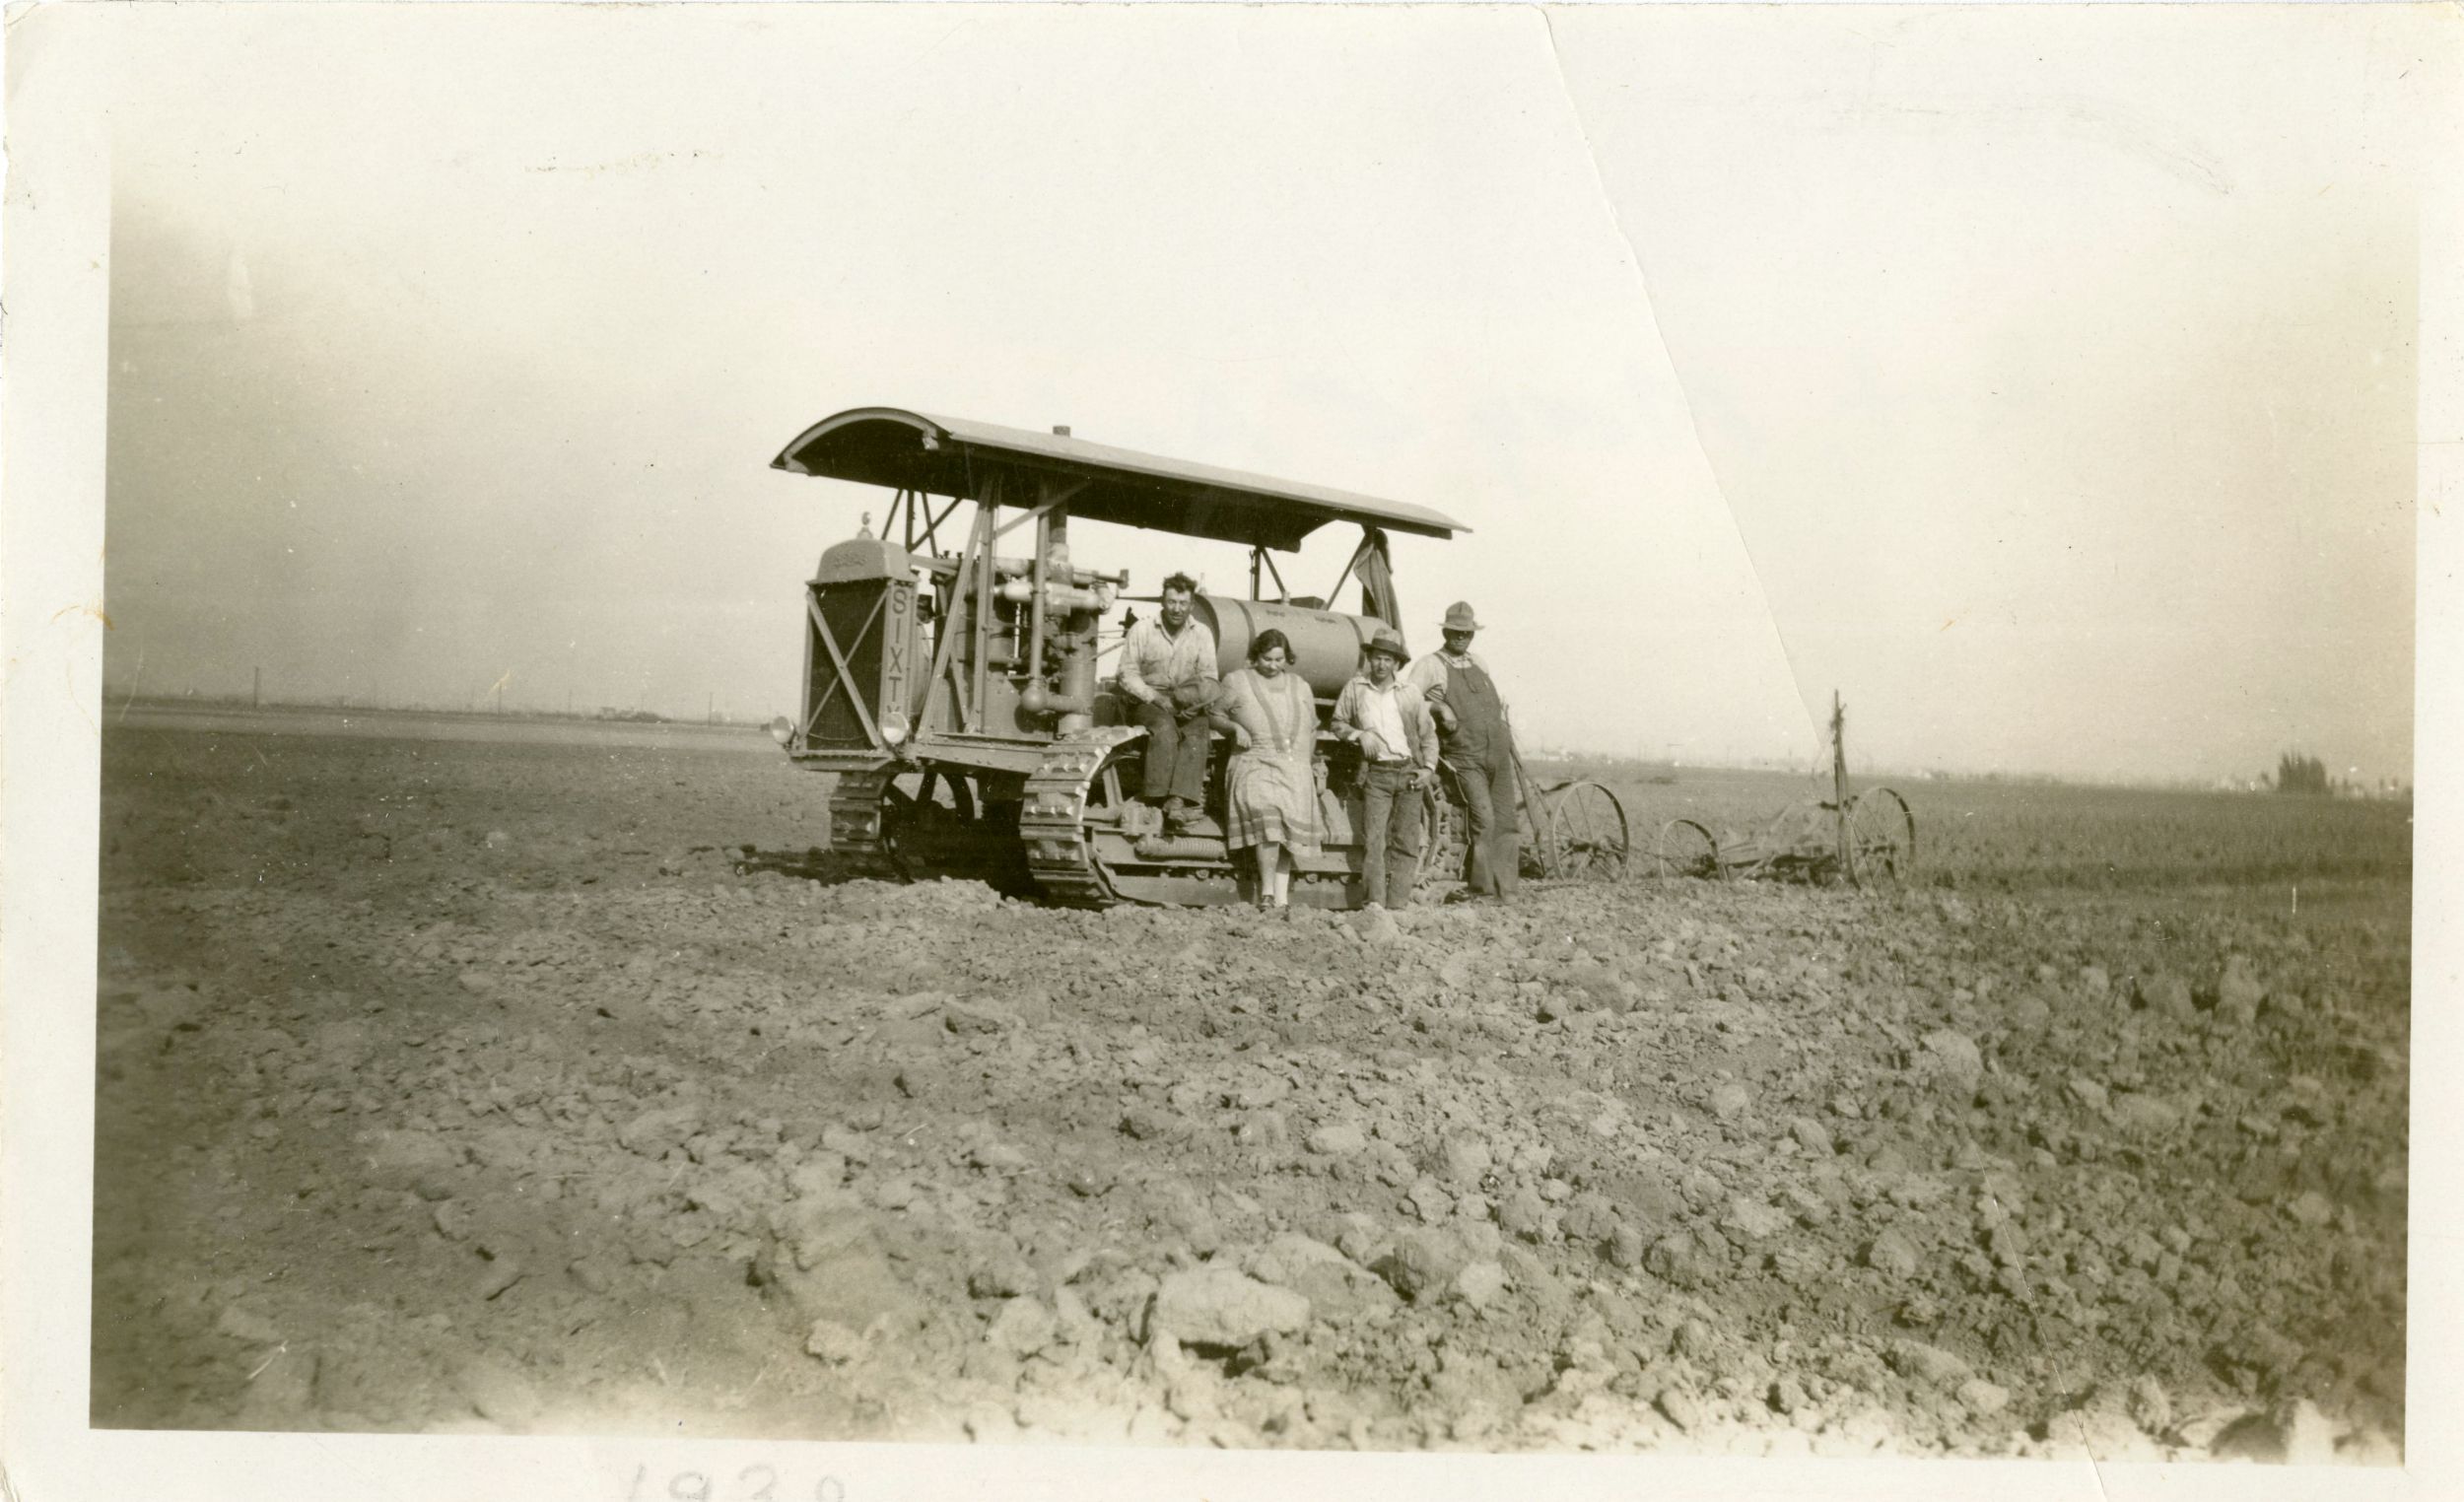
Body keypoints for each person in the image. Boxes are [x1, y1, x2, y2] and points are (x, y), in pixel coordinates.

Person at [1403, 601, 1519, 899]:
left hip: (1496, 753)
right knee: (1484, 819)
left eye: (1466, 633)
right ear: (1445, 631)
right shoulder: (1430, 665)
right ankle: (1483, 889)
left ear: (1472, 634)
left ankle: (1507, 889)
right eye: (1455, 632)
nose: (1461, 637)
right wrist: (1440, 707)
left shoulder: (1479, 663)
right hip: (1464, 756)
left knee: (1506, 820)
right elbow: (1407, 701)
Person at [1209, 629, 1323, 910]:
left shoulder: (1301, 686)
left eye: (1279, 659)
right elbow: (1214, 715)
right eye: (1267, 659)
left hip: (1294, 768)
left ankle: (1281, 899)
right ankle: (1267, 893)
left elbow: (1312, 728)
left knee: (1286, 829)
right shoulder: (1236, 681)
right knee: (1268, 819)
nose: (1273, 666)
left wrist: (1306, 764)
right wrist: (1234, 728)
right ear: (1255, 656)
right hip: (1255, 763)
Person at [1333, 626, 1439, 911]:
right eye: (1377, 658)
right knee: (1374, 841)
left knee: (1405, 841)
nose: (1381, 664)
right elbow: (1338, 723)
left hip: (1409, 773)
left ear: (1397, 664)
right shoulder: (1355, 689)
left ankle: (1398, 904)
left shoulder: (1410, 693)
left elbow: (1428, 735)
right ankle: (1375, 904)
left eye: (1388, 660)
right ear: (1370, 659)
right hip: (1376, 774)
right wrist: (1360, 735)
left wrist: (1427, 769)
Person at [1116, 572, 1219, 834]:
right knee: (1163, 728)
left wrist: (1191, 702)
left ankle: (1179, 800)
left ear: (1192, 604)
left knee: (1198, 731)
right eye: (1172, 602)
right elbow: (1127, 674)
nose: (1177, 609)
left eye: (1183, 603)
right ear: (1163, 601)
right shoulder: (1143, 629)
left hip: (1186, 699)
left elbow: (1209, 678)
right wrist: (1157, 698)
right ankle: (1155, 798)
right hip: (1147, 698)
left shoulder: (1202, 634)